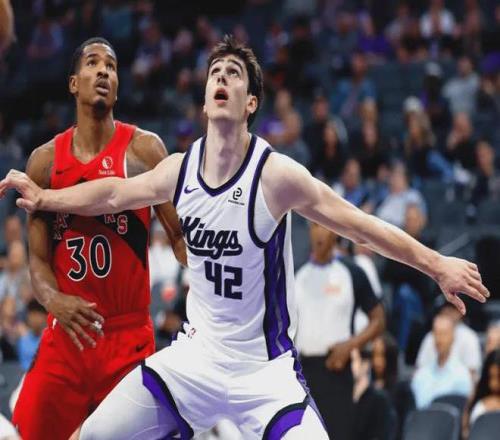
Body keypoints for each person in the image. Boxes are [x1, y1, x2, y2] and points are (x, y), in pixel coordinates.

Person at [0, 35, 489, 440]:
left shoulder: (275, 175)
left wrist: (437, 264)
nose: (221, 78)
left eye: (233, 73)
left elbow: (360, 224)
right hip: (195, 360)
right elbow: (110, 194)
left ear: (250, 102)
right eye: (215, 72)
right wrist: (45, 198)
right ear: (204, 99)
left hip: (263, 371)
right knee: (95, 435)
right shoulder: (180, 169)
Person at [6, 37, 186, 440]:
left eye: (112, 66)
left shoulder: (144, 150)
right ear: (73, 83)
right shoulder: (45, 161)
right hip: (67, 334)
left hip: (127, 336)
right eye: (93, 63)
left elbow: (178, 238)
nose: (104, 70)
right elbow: (38, 260)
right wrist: (53, 300)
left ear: (118, 87)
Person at [295, 222, 385, 438]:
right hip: (301, 371)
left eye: (323, 226)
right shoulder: (297, 276)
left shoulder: (351, 273)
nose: (318, 233)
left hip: (336, 368)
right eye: (314, 226)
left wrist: (350, 345)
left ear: (335, 232)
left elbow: (379, 320)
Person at [411, 314, 473, 409]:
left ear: (453, 337)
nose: (439, 339)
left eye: (444, 334)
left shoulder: (462, 375)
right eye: (436, 333)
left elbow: (463, 410)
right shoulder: (421, 375)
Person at [463, 349, 500, 436]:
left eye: (499, 377)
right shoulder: (476, 398)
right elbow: (465, 432)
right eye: (491, 377)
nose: (494, 384)